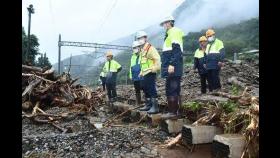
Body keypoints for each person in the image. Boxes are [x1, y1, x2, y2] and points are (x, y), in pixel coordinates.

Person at [160, 15, 184, 119]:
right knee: (170, 88)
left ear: (170, 22)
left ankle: (174, 112)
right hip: (169, 66)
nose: (164, 25)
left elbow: (177, 49)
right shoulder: (168, 34)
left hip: (173, 66)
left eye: (165, 23)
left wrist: (172, 64)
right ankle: (175, 111)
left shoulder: (174, 31)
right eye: (163, 24)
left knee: (172, 88)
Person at [136, 31, 161, 114]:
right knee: (144, 87)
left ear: (145, 38)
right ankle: (148, 105)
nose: (140, 40)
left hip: (150, 71)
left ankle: (155, 107)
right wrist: (141, 72)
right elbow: (143, 63)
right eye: (138, 39)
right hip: (144, 73)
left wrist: (154, 68)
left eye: (141, 38)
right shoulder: (142, 50)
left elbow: (157, 59)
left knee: (151, 88)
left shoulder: (150, 48)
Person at [129, 41, 144, 106]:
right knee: (137, 90)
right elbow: (131, 67)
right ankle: (138, 103)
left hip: (142, 75)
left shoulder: (143, 54)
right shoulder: (132, 57)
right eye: (134, 48)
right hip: (135, 76)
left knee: (145, 89)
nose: (135, 49)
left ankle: (147, 104)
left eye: (136, 47)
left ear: (140, 47)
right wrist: (130, 75)